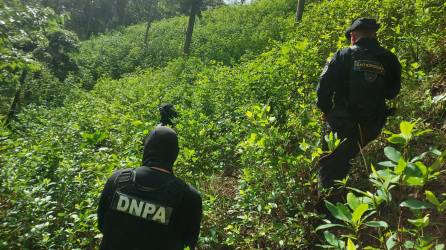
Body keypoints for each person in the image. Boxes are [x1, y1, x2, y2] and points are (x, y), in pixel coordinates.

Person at [316, 18, 402, 189]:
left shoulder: (343, 55)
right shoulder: (390, 59)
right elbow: (392, 93)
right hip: (372, 126)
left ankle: (326, 208)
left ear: (353, 37)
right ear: (374, 35)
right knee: (348, 154)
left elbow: (323, 89)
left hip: (342, 123)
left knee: (329, 165)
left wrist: (326, 110)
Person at [98, 126, 202, 250]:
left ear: (146, 148)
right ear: (175, 153)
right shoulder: (189, 196)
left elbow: (102, 224)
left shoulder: (117, 179)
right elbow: (189, 241)